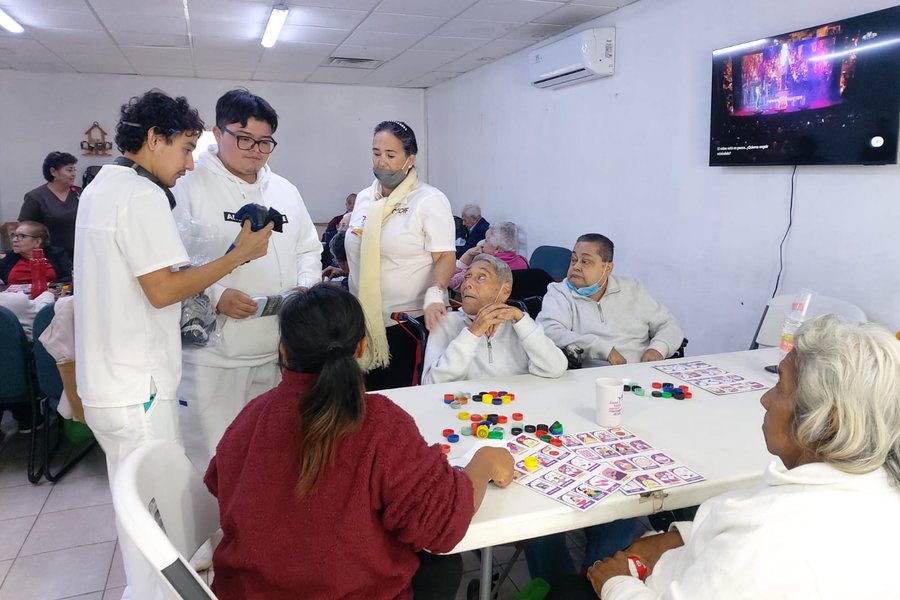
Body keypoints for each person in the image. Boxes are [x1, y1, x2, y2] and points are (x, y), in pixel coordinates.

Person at [74, 88, 272, 600]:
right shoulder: (140, 195)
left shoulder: (102, 185)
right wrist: (238, 254)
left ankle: (142, 591)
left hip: (109, 382)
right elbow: (162, 289)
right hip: (136, 384)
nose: (188, 164)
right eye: (185, 148)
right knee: (155, 516)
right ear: (153, 138)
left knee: (134, 505)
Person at [551, 315, 900, 599]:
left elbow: (750, 546)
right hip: (685, 563)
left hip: (651, 587)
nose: (765, 399)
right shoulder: (872, 487)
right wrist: (680, 536)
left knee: (567, 589)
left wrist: (615, 582)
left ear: (826, 422)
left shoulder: (765, 541)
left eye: (780, 386)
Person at [206, 284, 514, 600]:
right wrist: (484, 462)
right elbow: (443, 526)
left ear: (283, 351)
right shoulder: (379, 422)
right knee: (442, 566)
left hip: (242, 591)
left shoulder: (253, 415)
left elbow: (217, 480)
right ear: (362, 347)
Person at [172, 88, 322, 470]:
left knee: (269, 454)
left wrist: (304, 288)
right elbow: (172, 264)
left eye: (264, 142)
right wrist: (216, 295)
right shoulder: (187, 185)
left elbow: (309, 248)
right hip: (214, 356)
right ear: (217, 133)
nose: (255, 150)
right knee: (213, 457)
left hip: (278, 349)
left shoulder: (285, 190)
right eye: (244, 138)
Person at [345, 120, 456, 390]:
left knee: (400, 397)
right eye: (376, 153)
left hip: (405, 322)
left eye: (390, 155)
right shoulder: (365, 199)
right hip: (362, 321)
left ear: (410, 159)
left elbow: (444, 255)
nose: (381, 162)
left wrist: (436, 292)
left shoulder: (428, 200)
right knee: (364, 397)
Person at [537, 234, 683, 367]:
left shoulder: (633, 289)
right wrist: (602, 349)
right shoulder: (560, 292)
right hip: (592, 376)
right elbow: (549, 330)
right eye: (574, 260)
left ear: (607, 268)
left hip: (641, 371)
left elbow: (668, 324)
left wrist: (658, 349)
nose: (576, 267)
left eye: (585, 261)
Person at [422, 254, 566, 384]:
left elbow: (555, 368)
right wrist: (472, 333)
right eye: (467, 276)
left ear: (505, 291)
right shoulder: (445, 323)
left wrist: (522, 320)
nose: (467, 284)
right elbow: (431, 383)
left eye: (481, 277)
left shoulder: (519, 325)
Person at [19, 151, 80, 261]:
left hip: (80, 254)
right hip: (49, 257)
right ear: (53, 172)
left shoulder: (80, 193)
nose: (74, 174)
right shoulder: (36, 197)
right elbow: (24, 229)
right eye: (69, 170)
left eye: (74, 170)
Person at [449, 221, 528, 293]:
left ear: (497, 248)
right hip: (514, 303)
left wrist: (468, 254)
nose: (482, 244)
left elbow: (452, 282)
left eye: (486, 240)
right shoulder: (523, 261)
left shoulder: (485, 265)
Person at [0, 221, 71, 286]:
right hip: (15, 295)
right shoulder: (9, 258)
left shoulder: (57, 254)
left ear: (38, 242)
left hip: (50, 293)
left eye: (22, 236)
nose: (14, 240)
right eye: (14, 235)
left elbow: (68, 278)